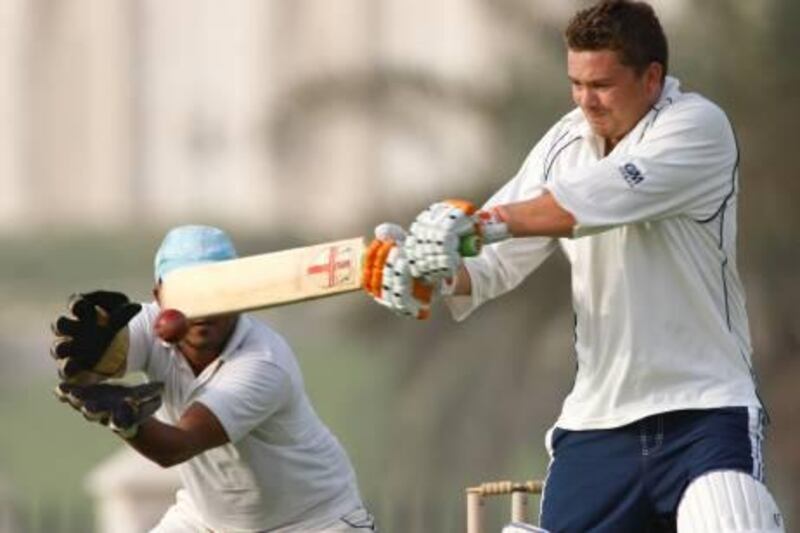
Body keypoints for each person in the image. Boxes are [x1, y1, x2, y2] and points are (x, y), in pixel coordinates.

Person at [362, 1, 784, 531]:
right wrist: (428, 272)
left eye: (602, 85)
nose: (586, 101)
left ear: (652, 78)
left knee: (730, 518)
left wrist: (473, 227)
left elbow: (587, 202)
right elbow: (492, 266)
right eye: (576, 84)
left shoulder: (697, 128)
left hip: (703, 411)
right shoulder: (564, 142)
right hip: (598, 424)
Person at [51, 225, 375, 532]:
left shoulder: (262, 361)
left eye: (217, 291)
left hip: (313, 522)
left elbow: (176, 447)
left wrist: (126, 421)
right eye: (189, 292)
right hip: (205, 521)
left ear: (242, 293)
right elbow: (92, 373)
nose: (203, 311)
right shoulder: (146, 323)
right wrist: (88, 364)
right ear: (159, 295)